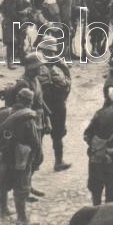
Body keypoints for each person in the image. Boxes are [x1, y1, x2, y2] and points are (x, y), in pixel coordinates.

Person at [0, 88, 42, 225]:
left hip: (4, 153)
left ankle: (3, 210)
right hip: (21, 157)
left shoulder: (1, 113)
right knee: (21, 187)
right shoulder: (28, 117)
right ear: (30, 102)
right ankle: (22, 219)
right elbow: (35, 142)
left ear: (17, 99)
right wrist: (37, 158)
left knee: (3, 182)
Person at [37, 36, 72, 171]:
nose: (50, 54)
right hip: (44, 104)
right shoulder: (37, 63)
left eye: (51, 52)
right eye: (48, 51)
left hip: (56, 104)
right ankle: (37, 162)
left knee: (57, 133)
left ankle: (58, 161)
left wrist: (63, 98)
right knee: (39, 133)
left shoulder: (60, 64)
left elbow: (68, 83)